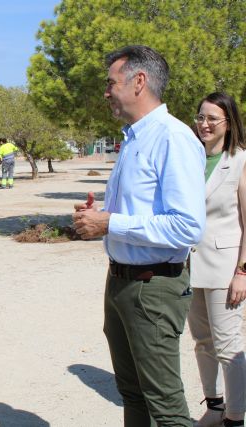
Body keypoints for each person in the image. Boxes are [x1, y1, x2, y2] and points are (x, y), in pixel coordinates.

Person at [73, 45, 206, 426]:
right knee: (133, 396)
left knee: (165, 407)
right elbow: (135, 212)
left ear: (139, 82)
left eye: (111, 83)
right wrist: (95, 217)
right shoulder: (134, 139)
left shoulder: (172, 139)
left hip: (153, 287)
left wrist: (110, 222)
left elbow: (187, 225)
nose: (106, 92)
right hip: (121, 284)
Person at [188, 92, 246, 427]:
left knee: (228, 346)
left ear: (229, 122)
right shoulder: (191, 158)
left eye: (212, 118)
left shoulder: (240, 160)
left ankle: (236, 417)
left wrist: (242, 271)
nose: (204, 124)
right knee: (202, 343)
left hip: (226, 269)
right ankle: (214, 406)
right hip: (191, 266)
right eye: (200, 117)